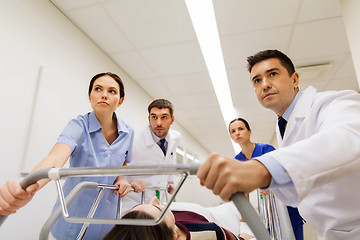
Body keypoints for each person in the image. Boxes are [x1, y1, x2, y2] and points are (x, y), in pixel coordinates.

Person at [197, 49, 360, 239]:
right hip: (329, 231)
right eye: (257, 80)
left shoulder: (334, 102)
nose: (265, 84)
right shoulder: (282, 124)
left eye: (272, 74)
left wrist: (262, 170)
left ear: (294, 79)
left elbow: (349, 138)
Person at [0, 72, 139, 239]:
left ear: (120, 101)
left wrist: (121, 179)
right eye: (98, 89)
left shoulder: (128, 132)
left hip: (106, 217)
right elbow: (55, 159)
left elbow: (124, 160)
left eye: (112, 91)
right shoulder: (79, 125)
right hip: (73, 214)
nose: (104, 95)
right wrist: (27, 188)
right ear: (90, 96)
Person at [228, 118, 303, 239]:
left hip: (284, 204)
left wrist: (266, 183)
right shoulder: (237, 160)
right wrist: (244, 216)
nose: (237, 133)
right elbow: (243, 191)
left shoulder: (266, 150)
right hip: (266, 210)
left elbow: (280, 173)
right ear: (231, 136)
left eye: (241, 129)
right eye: (233, 131)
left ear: (249, 131)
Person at [122, 99, 181, 214]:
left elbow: (170, 157)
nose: (158, 123)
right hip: (134, 201)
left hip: (158, 199)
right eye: (154, 117)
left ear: (172, 119)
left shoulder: (176, 137)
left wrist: (170, 180)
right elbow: (117, 168)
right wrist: (128, 183)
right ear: (149, 119)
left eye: (164, 117)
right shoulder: (134, 142)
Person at [103, 196, 254, 240]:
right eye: (157, 209)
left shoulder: (152, 229)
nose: (156, 202)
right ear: (174, 235)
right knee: (232, 207)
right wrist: (242, 238)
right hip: (212, 215)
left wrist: (151, 207)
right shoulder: (208, 233)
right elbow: (229, 237)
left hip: (185, 210)